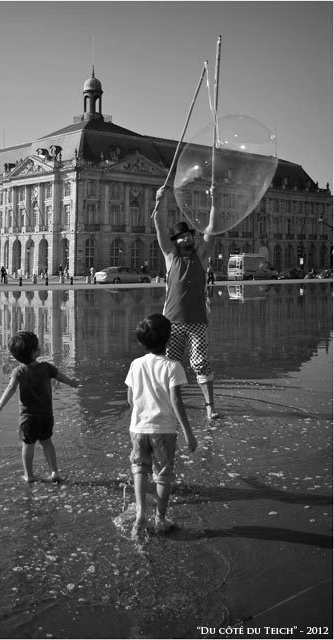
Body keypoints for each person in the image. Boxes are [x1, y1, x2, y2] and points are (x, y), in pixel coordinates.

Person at [125, 313, 197, 537]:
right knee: (163, 476)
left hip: (138, 428)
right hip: (163, 430)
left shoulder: (136, 364)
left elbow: (130, 399)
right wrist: (188, 433)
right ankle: (160, 519)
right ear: (169, 339)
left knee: (139, 469)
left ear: (142, 342)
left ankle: (140, 513)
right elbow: (176, 401)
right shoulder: (173, 367)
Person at [153, 186, 218, 420]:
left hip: (197, 320)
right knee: (171, 364)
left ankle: (210, 406)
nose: (186, 237)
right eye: (181, 236)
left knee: (200, 363)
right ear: (175, 241)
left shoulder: (201, 256)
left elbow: (212, 229)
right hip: (172, 322)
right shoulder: (170, 256)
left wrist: (215, 201)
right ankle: (171, 403)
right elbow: (159, 225)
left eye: (188, 234)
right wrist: (159, 200)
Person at [0, 331, 78, 483]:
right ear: (34, 352)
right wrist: (72, 383)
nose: (40, 347)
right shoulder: (46, 368)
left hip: (28, 418)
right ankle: (55, 472)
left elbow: (10, 389)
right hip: (46, 416)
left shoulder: (19, 372)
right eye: (37, 346)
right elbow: (61, 377)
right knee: (47, 443)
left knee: (28, 445)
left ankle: (29, 475)